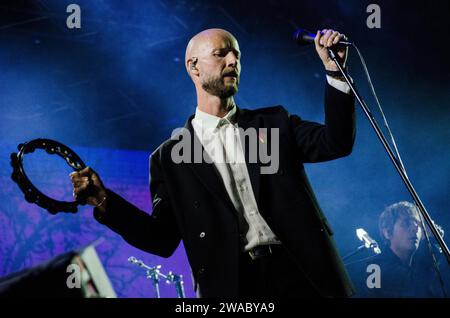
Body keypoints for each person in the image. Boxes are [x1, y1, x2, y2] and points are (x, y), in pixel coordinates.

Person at [70, 28, 356, 297]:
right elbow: (161, 239)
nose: (233, 60)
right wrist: (103, 200)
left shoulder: (274, 123)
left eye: (237, 55)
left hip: (303, 275)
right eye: (221, 54)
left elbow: (336, 142)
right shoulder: (170, 158)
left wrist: (335, 71)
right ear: (194, 67)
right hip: (234, 285)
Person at [355, 201, 445, 297]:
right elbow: (415, 285)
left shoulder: (417, 265)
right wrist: (432, 241)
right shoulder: (375, 267)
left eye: (417, 223)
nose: (415, 228)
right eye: (406, 223)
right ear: (388, 233)